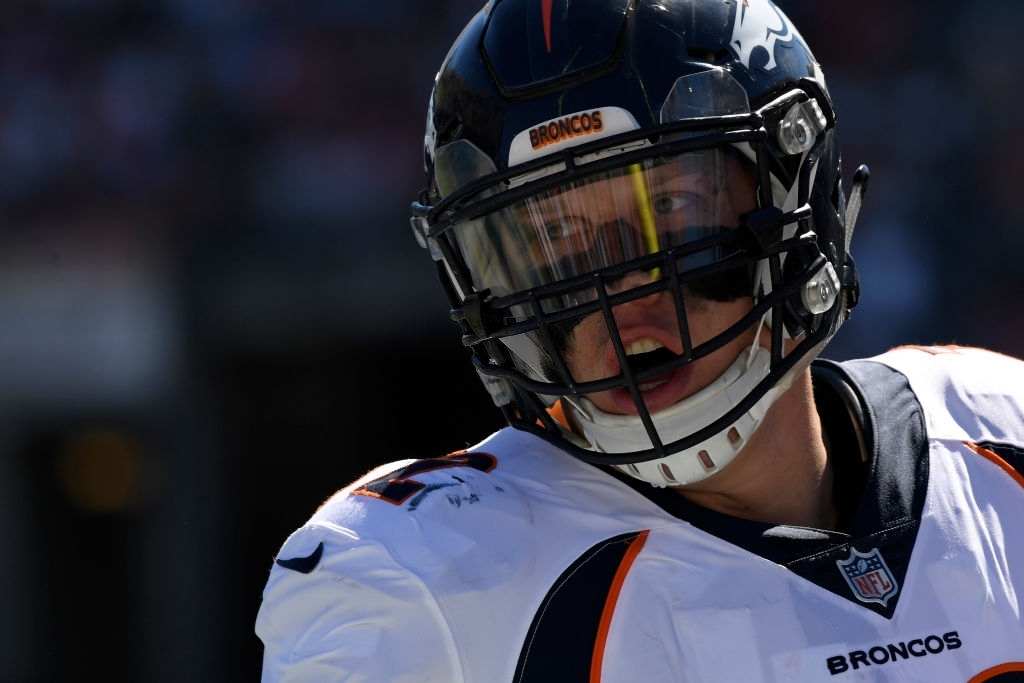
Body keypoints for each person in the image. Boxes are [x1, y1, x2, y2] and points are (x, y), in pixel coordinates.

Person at [256, 0, 1024, 679]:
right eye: (556, 239)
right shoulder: (421, 577)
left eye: (674, 206)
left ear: (795, 197)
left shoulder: (1002, 434)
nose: (621, 294)